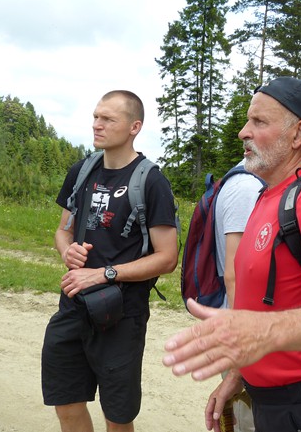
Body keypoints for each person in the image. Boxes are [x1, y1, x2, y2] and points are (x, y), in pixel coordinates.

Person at [164, 77, 301, 432]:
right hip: (276, 405)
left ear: (298, 134)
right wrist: (238, 373)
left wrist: (264, 332)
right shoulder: (269, 195)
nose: (243, 132)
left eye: (259, 121)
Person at [42, 90, 179, 432]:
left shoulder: (151, 182)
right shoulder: (81, 171)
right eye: (95, 117)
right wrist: (67, 250)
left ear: (134, 127)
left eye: (107, 119)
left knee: (117, 416)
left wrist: (104, 274)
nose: (97, 125)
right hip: (73, 305)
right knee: (66, 401)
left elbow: (167, 258)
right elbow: (62, 231)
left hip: (121, 314)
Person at [213, 160, 263, 432]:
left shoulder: (256, 182)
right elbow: (235, 274)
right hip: (243, 326)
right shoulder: (246, 187)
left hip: (249, 323)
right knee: (248, 421)